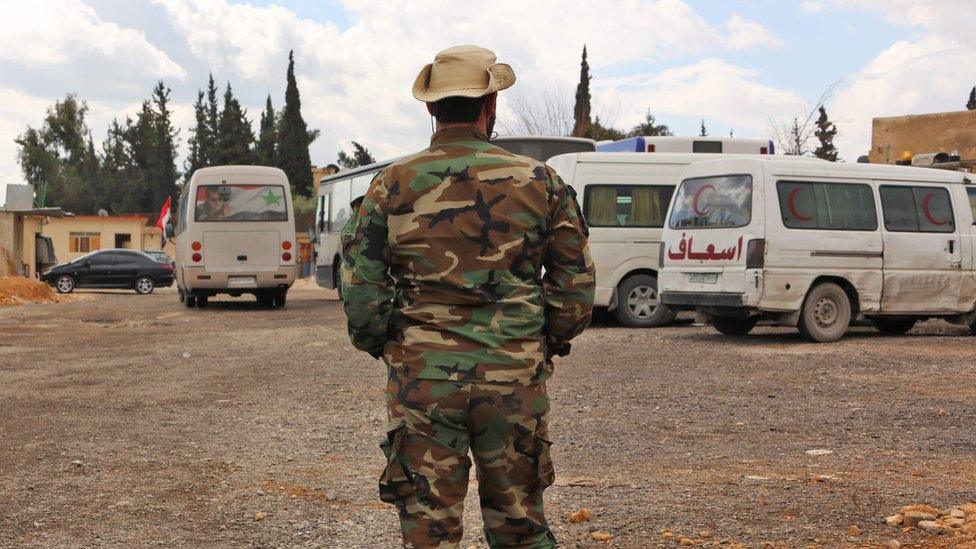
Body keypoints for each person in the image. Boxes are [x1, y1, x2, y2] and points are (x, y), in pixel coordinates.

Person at [341, 45, 595, 548]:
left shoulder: (390, 185)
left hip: (424, 382)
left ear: (431, 109)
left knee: (429, 530)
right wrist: (537, 341)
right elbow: (575, 288)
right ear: (491, 105)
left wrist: (397, 346)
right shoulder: (540, 182)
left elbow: (362, 294)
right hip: (514, 378)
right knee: (520, 525)